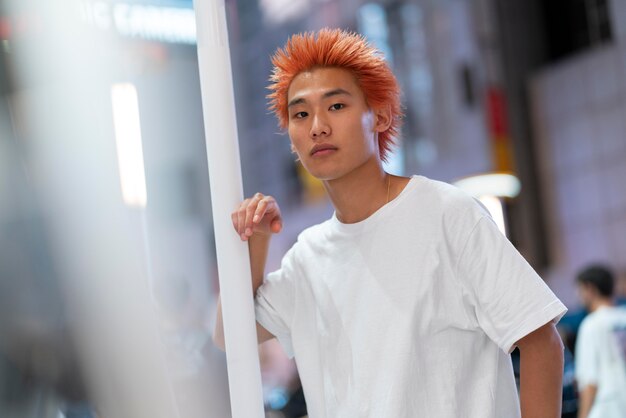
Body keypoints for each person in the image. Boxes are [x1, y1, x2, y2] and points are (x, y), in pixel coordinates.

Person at [214, 28, 567, 417]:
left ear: (379, 116)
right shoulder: (307, 257)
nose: (317, 126)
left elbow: (540, 341)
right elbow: (229, 335)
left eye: (336, 106)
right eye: (300, 114)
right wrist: (256, 240)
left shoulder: (446, 213)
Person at [574, 265, 626, 418]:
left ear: (590, 289)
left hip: (607, 409)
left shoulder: (591, 325)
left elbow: (590, 381)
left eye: (580, 289)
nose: (578, 295)